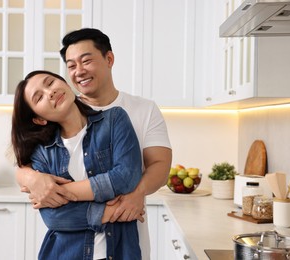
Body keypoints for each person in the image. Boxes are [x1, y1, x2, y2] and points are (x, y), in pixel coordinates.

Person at [16, 28, 172, 259]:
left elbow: (159, 165)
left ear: (109, 59)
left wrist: (136, 193)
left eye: (86, 61)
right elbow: (24, 163)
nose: (79, 71)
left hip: (126, 234)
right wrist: (31, 178)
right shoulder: (58, 114)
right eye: (71, 66)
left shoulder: (137, 110)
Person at [11, 70, 143, 259]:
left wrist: (60, 192)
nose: (50, 93)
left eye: (50, 83)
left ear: (63, 83)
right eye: (39, 97)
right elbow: (53, 217)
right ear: (39, 119)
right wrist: (111, 211)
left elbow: (126, 177)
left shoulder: (114, 120)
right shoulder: (42, 153)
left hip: (121, 252)